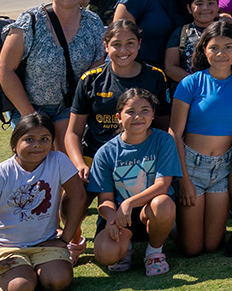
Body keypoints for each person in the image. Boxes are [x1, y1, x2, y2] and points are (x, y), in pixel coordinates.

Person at [173, 19, 232, 257]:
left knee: (212, 245)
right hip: (191, 167)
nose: (221, 53)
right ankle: (174, 224)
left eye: (228, 47)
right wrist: (183, 179)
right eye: (214, 47)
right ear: (204, 49)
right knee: (192, 249)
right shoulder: (190, 83)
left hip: (222, 169)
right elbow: (174, 133)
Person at [64, 20, 171, 189]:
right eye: (116, 44)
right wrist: (79, 165)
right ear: (106, 46)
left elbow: (164, 127)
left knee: (157, 206)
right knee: (75, 193)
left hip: (142, 156)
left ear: (139, 44)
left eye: (130, 43)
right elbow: (73, 132)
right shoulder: (90, 80)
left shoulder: (155, 77)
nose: (123, 50)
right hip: (96, 154)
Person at [0, 0, 105, 124]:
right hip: (29, 106)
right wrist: (30, 116)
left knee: (64, 147)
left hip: (70, 107)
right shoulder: (30, 21)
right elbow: (5, 70)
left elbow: (97, 67)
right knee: (36, 148)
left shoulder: (93, 23)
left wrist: (79, 107)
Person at [87, 88, 179, 276]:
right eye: (130, 111)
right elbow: (104, 200)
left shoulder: (164, 141)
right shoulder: (106, 152)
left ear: (153, 114)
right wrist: (112, 218)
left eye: (145, 110)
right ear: (119, 117)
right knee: (105, 256)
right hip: (121, 216)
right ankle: (125, 245)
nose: (138, 116)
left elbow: (162, 185)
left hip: (151, 211)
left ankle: (154, 252)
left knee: (163, 203)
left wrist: (129, 202)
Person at [0, 114, 86, 291]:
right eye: (29, 139)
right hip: (7, 247)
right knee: (21, 287)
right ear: (15, 144)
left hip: (45, 244)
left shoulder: (58, 160)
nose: (37, 144)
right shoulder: (3, 173)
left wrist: (64, 239)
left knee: (58, 281)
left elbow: (79, 197)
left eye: (44, 139)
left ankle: (29, 272)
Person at [164, 0, 221, 84]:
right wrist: (199, 84)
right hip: (190, 92)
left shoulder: (227, 32)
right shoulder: (181, 33)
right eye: (199, 4)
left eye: (210, 3)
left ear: (217, 7)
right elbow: (170, 68)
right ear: (189, 8)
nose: (205, 8)